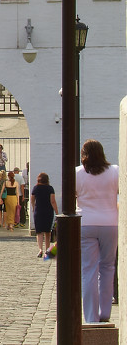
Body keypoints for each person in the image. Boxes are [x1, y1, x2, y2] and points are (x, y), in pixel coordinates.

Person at [75, 139, 119, 324]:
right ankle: (105, 312)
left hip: (86, 222)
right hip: (110, 222)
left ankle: (91, 316)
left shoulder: (77, 173)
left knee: (89, 270)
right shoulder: (115, 171)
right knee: (108, 267)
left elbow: (71, 196)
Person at [31, 172, 57, 259]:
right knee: (47, 231)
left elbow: (32, 200)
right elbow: (52, 201)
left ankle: (40, 249)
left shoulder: (36, 188)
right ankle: (47, 249)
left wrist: (33, 208)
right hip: (48, 211)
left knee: (39, 232)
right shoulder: (50, 188)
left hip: (38, 211)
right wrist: (57, 212)